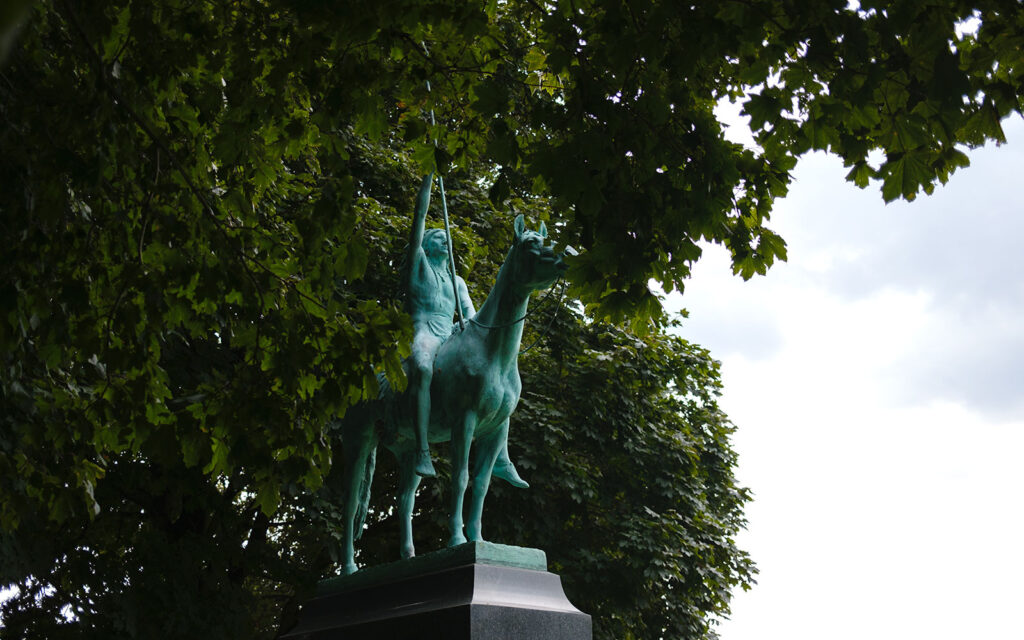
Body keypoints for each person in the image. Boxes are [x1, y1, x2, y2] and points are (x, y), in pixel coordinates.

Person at [404, 174, 527, 487]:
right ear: (427, 246)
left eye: (446, 239)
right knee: (422, 367)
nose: (444, 239)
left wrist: (468, 325)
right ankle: (421, 448)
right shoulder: (418, 264)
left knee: (498, 378)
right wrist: (428, 181)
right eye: (438, 237)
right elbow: (418, 219)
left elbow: (472, 315)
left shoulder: (457, 281)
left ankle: (501, 457)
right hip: (426, 333)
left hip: (451, 336)